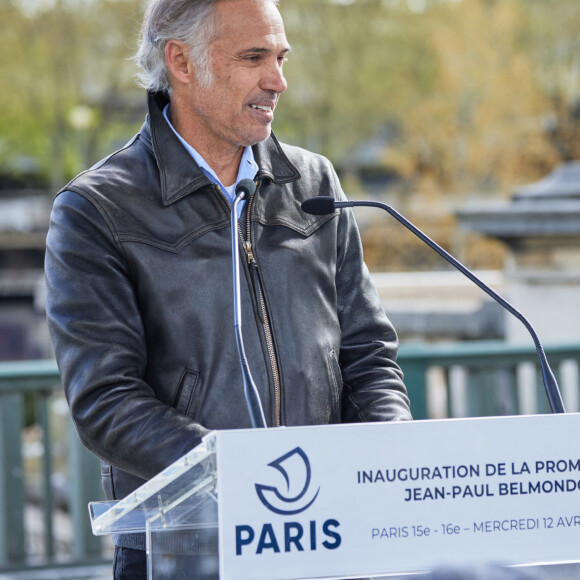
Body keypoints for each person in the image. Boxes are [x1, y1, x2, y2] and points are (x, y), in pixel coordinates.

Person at [44, 0, 412, 577]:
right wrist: (242, 473)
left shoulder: (315, 184)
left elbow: (367, 355)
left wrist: (392, 457)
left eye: (281, 57)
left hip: (324, 537)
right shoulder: (96, 210)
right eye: (253, 57)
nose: (279, 80)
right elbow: (105, 400)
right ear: (182, 62)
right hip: (186, 550)